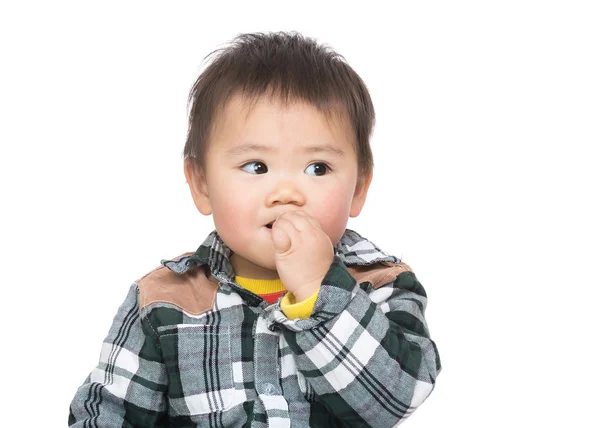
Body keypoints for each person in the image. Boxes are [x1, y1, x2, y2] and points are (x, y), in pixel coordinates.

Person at [68, 31, 441, 428]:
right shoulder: (162, 301)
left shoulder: (382, 286)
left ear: (359, 189)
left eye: (318, 168)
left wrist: (320, 291)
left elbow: (396, 400)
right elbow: (107, 413)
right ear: (202, 185)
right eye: (256, 167)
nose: (286, 193)